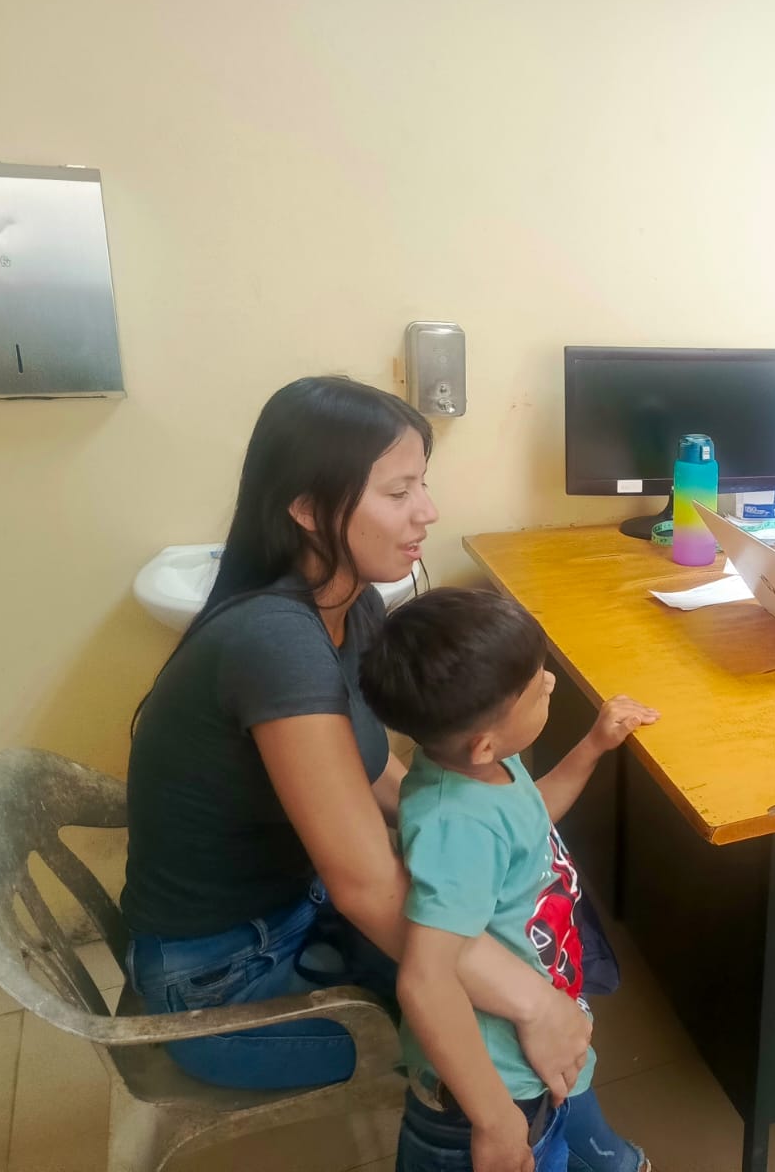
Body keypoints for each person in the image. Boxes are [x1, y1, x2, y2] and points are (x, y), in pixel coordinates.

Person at [122, 376, 592, 1121]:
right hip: (221, 983)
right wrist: (536, 1003)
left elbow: (371, 773)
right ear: (308, 509)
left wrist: (493, 856)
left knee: (521, 946)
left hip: (295, 912)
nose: (427, 511)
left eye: (422, 485)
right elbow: (366, 887)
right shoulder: (275, 642)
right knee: (496, 1032)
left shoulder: (354, 604)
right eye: (399, 492)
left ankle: (590, 1142)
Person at [359, 587, 658, 1172]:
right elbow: (425, 979)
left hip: (538, 1048)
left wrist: (593, 746)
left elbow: (527, 821)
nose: (550, 682)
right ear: (484, 742)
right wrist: (495, 1121)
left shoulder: (484, 767)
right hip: (494, 1088)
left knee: (576, 1133)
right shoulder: (455, 828)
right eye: (535, 684)